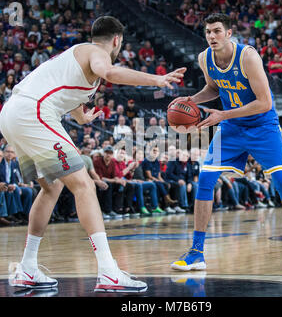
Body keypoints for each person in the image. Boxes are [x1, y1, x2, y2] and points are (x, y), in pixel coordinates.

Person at [0, 16, 185, 293]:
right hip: (33, 112)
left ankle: (27, 267)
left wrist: (82, 118)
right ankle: (108, 271)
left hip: (13, 114)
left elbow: (71, 98)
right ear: (116, 40)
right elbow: (110, 73)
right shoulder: (96, 53)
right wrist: (156, 80)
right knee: (84, 184)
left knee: (51, 188)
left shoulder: (78, 59)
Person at [169, 13, 282, 272]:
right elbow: (214, 88)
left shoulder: (247, 56)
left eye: (216, 31)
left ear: (228, 33)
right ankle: (196, 252)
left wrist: (222, 114)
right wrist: (191, 101)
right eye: (208, 32)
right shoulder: (205, 58)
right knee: (205, 179)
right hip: (232, 128)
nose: (212, 36)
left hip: (263, 126)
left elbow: (265, 102)